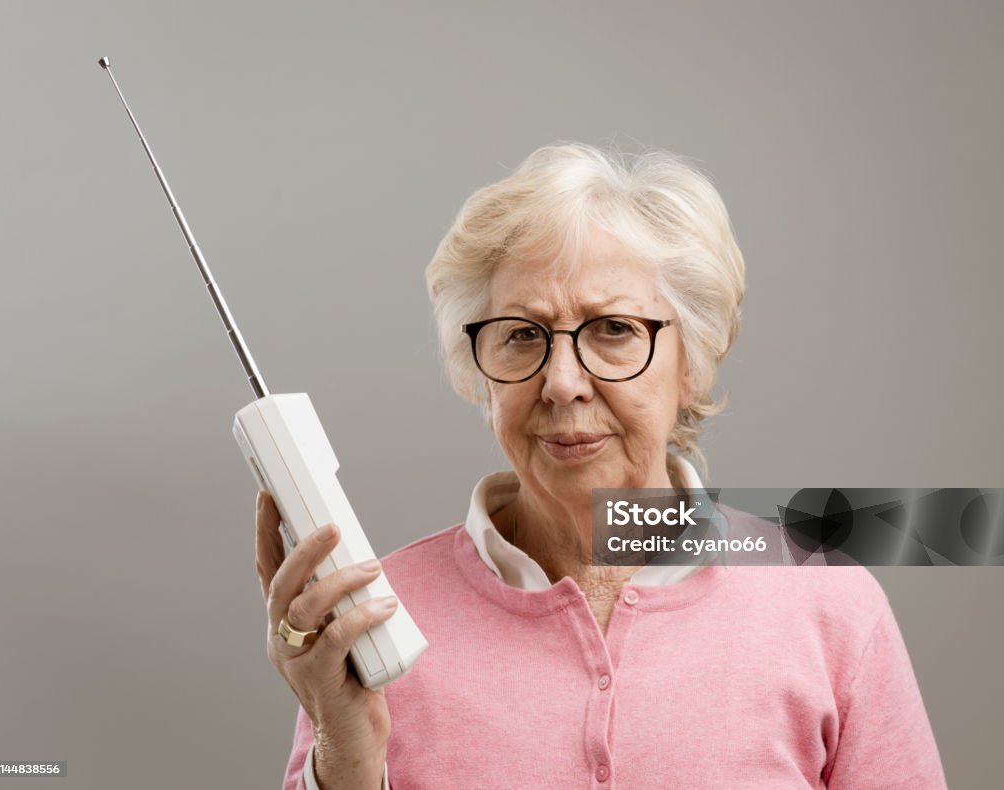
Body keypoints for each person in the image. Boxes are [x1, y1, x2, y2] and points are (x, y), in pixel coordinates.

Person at [255, 142, 948, 789]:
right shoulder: (375, 622)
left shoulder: (828, 604)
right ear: (481, 372)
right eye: (522, 335)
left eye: (614, 330)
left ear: (692, 364)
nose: (561, 383)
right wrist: (343, 756)